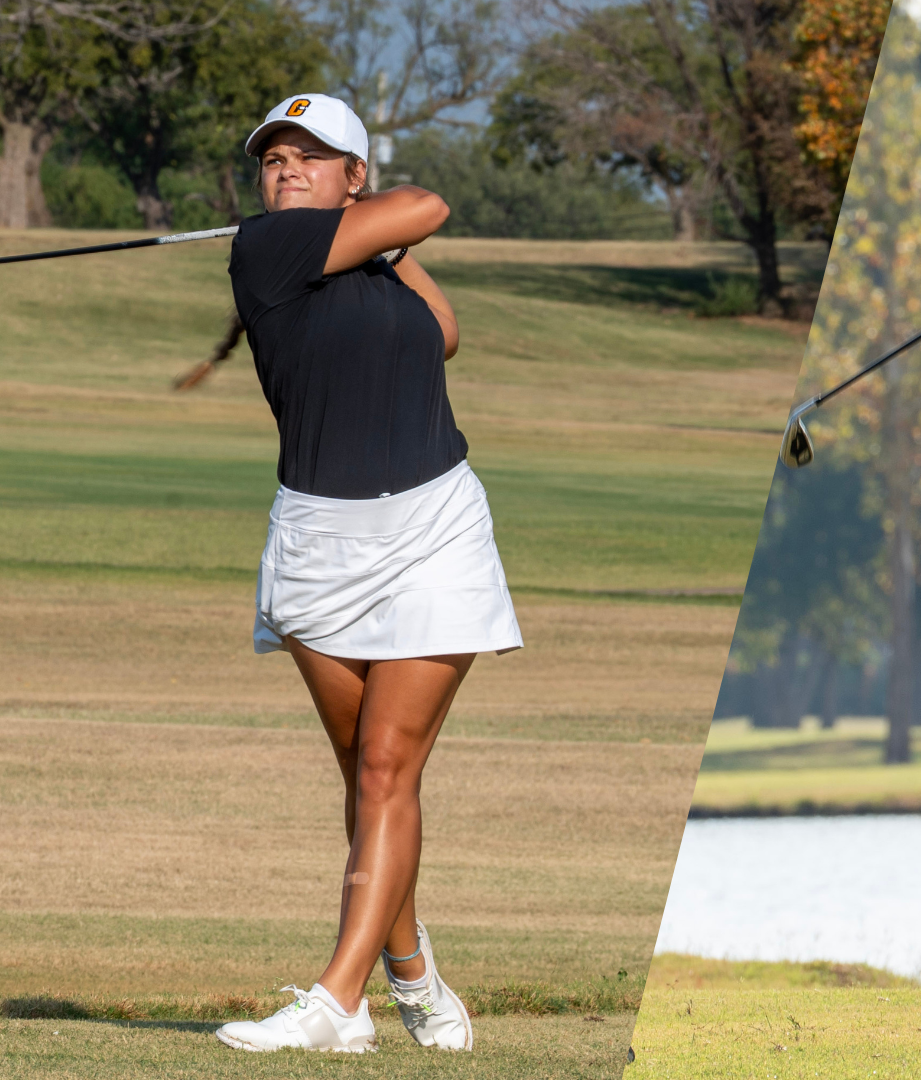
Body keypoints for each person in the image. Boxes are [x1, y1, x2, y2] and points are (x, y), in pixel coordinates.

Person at [210, 93, 523, 1054]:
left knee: (387, 767)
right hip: (318, 543)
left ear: (356, 176)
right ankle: (413, 971)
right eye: (273, 159)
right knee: (369, 777)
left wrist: (374, 239)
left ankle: (337, 1005)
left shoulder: (377, 258)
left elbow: (445, 323)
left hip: (435, 526)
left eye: (312, 156)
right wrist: (363, 223)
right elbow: (419, 204)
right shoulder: (264, 252)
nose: (286, 169)